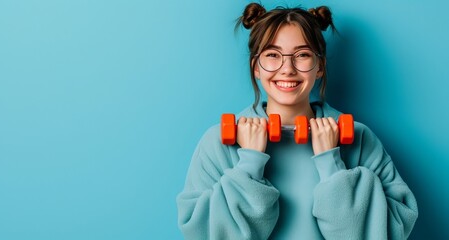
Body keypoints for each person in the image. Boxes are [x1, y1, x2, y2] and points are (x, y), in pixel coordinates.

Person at [176, 3, 418, 240]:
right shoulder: (218, 142)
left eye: (302, 55)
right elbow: (201, 232)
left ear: (320, 66)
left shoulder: (359, 137)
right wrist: (249, 164)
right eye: (272, 55)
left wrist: (332, 165)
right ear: (256, 67)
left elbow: (394, 227)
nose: (287, 68)